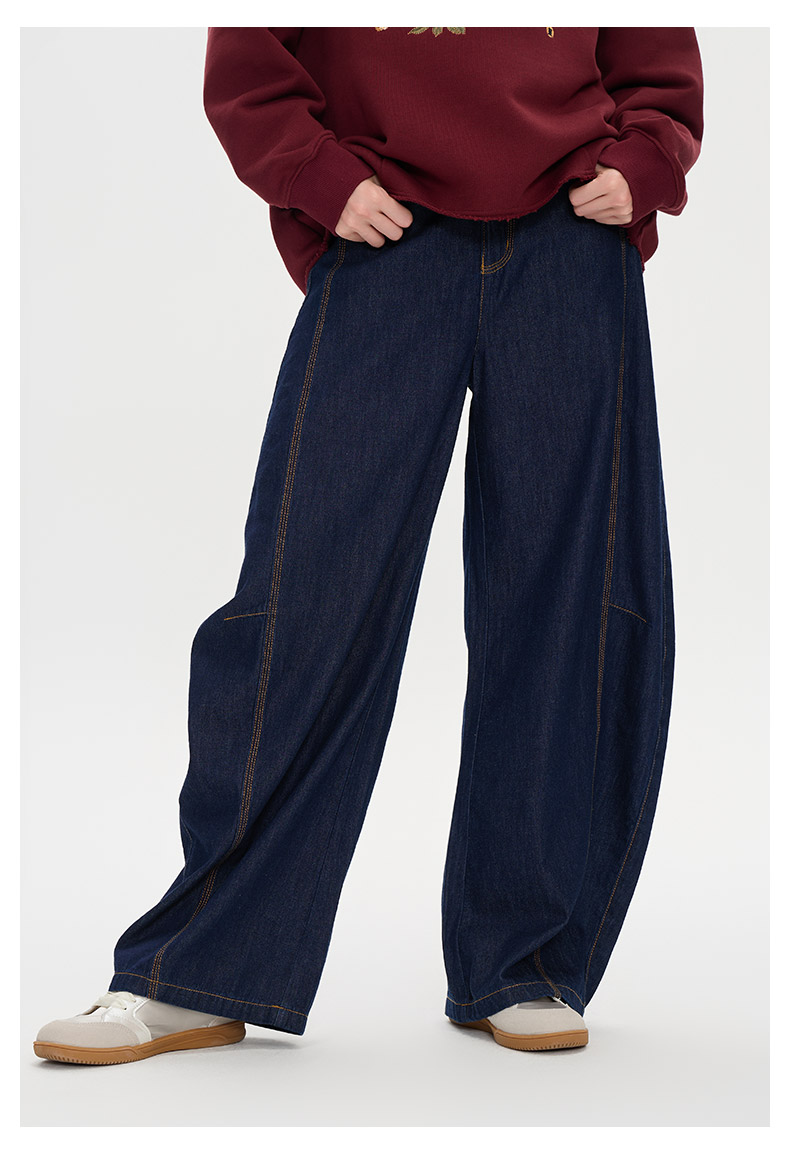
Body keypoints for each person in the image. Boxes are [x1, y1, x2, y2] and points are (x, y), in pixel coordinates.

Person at [34, 26, 704, 1064]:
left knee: (567, 603)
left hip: (573, 236)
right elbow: (251, 64)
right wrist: (318, 175)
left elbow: (657, 60)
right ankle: (198, 969)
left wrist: (643, 160)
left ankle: (522, 958)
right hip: (384, 228)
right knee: (304, 600)